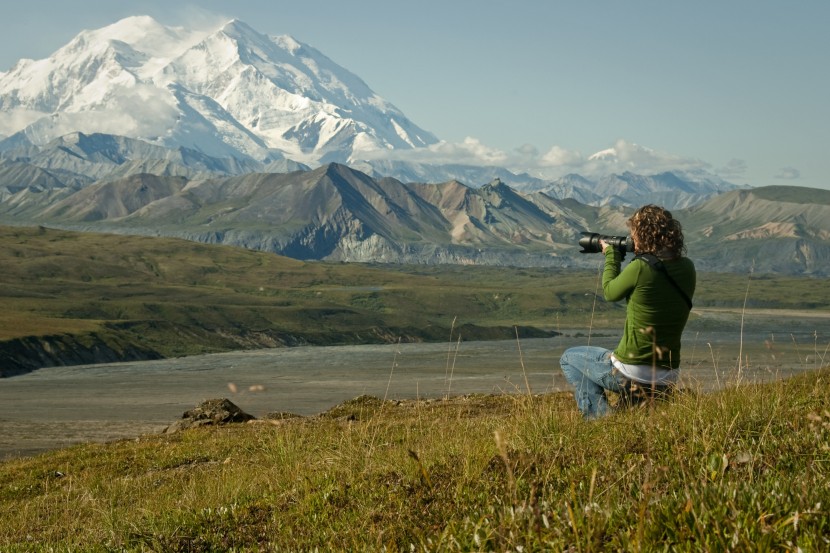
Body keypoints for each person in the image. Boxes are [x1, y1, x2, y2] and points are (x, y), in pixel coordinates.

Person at [559, 204, 696, 418]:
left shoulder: (641, 267)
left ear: (642, 234)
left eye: (634, 233)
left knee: (570, 357)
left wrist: (611, 256)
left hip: (631, 371)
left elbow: (610, 292)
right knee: (630, 417)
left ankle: (599, 418)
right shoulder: (688, 267)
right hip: (667, 376)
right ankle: (628, 410)